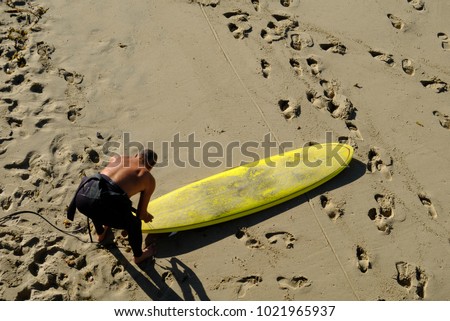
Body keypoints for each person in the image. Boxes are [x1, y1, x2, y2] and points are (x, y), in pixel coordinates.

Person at [67, 149, 157, 264]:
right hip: (100, 203)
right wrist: (147, 216)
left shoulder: (118, 158)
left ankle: (100, 234)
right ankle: (139, 256)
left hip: (83, 195)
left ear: (136, 155)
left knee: (99, 197)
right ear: (150, 168)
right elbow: (141, 214)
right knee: (134, 223)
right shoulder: (147, 177)